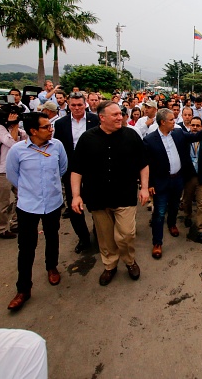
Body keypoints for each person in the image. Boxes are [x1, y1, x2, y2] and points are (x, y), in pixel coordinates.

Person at [71, 101, 149, 286]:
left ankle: (129, 261)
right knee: (105, 236)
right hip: (97, 197)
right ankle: (110, 265)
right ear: (102, 117)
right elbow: (77, 169)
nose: (120, 117)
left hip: (125, 195)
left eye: (120, 114)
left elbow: (143, 164)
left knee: (126, 234)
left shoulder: (131, 135)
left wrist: (144, 187)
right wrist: (76, 195)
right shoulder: (87, 138)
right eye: (114, 115)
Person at [5, 113, 68, 311]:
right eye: (47, 127)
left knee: (52, 236)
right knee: (26, 247)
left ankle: (52, 267)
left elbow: (62, 169)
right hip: (28, 206)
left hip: (52, 203)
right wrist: (29, 191)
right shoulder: (17, 151)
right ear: (33, 131)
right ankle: (23, 289)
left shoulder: (57, 146)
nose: (51, 130)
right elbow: (12, 176)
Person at [143, 108, 202, 259]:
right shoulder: (150, 140)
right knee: (159, 212)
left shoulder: (178, 133)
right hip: (161, 182)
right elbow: (146, 164)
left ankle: (172, 224)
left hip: (177, 180)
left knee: (174, 205)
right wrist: (148, 184)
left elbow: (196, 136)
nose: (174, 122)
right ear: (163, 122)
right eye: (171, 120)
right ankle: (157, 243)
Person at [53, 92, 100, 253]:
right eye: (73, 105)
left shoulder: (95, 120)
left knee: (96, 205)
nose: (77, 108)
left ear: (85, 104)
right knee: (75, 207)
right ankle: (83, 238)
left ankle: (99, 234)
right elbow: (59, 149)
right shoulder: (60, 124)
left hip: (94, 170)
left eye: (80, 105)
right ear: (68, 105)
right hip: (72, 170)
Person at [0, 111, 27, 239]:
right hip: (0, 171)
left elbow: (25, 137)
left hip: (15, 170)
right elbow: (13, 143)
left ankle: (16, 223)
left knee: (21, 197)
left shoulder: (12, 128)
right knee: (2, 202)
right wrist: (15, 125)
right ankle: (0, 229)